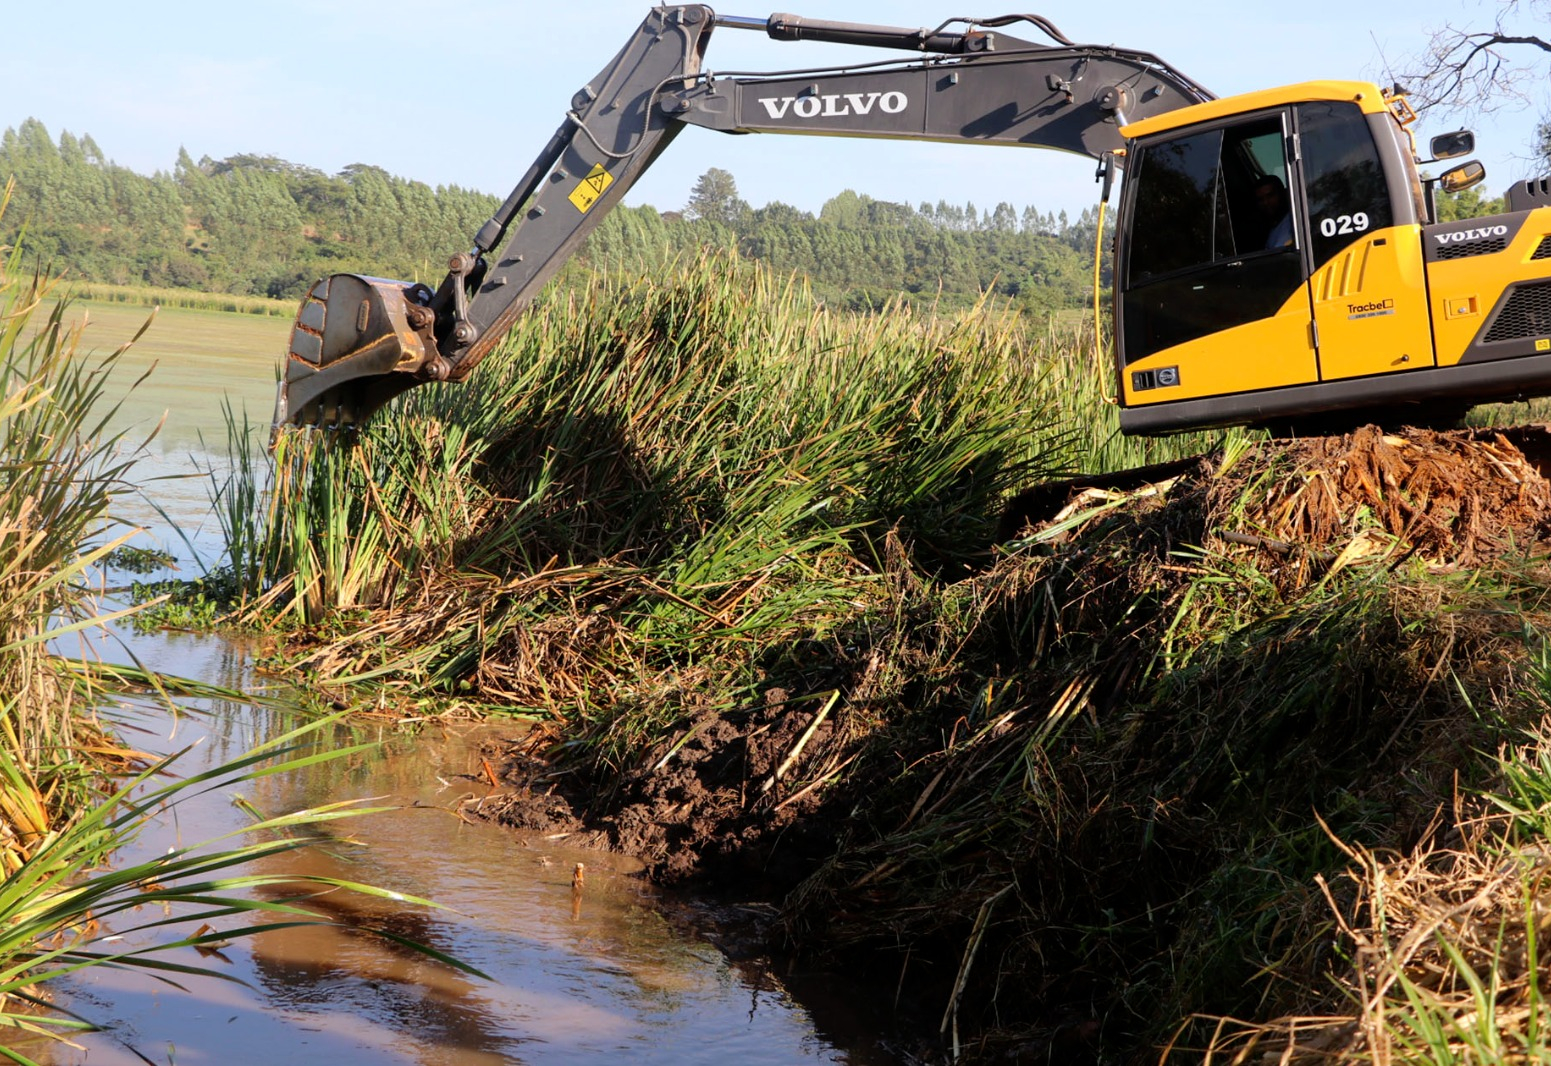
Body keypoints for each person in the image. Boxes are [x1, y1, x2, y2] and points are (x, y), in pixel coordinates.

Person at [1253, 175, 1294, 249]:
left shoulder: (1292, 222)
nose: (1266, 202)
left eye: (1270, 196)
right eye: (1261, 199)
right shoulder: (1271, 229)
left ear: (1282, 193)